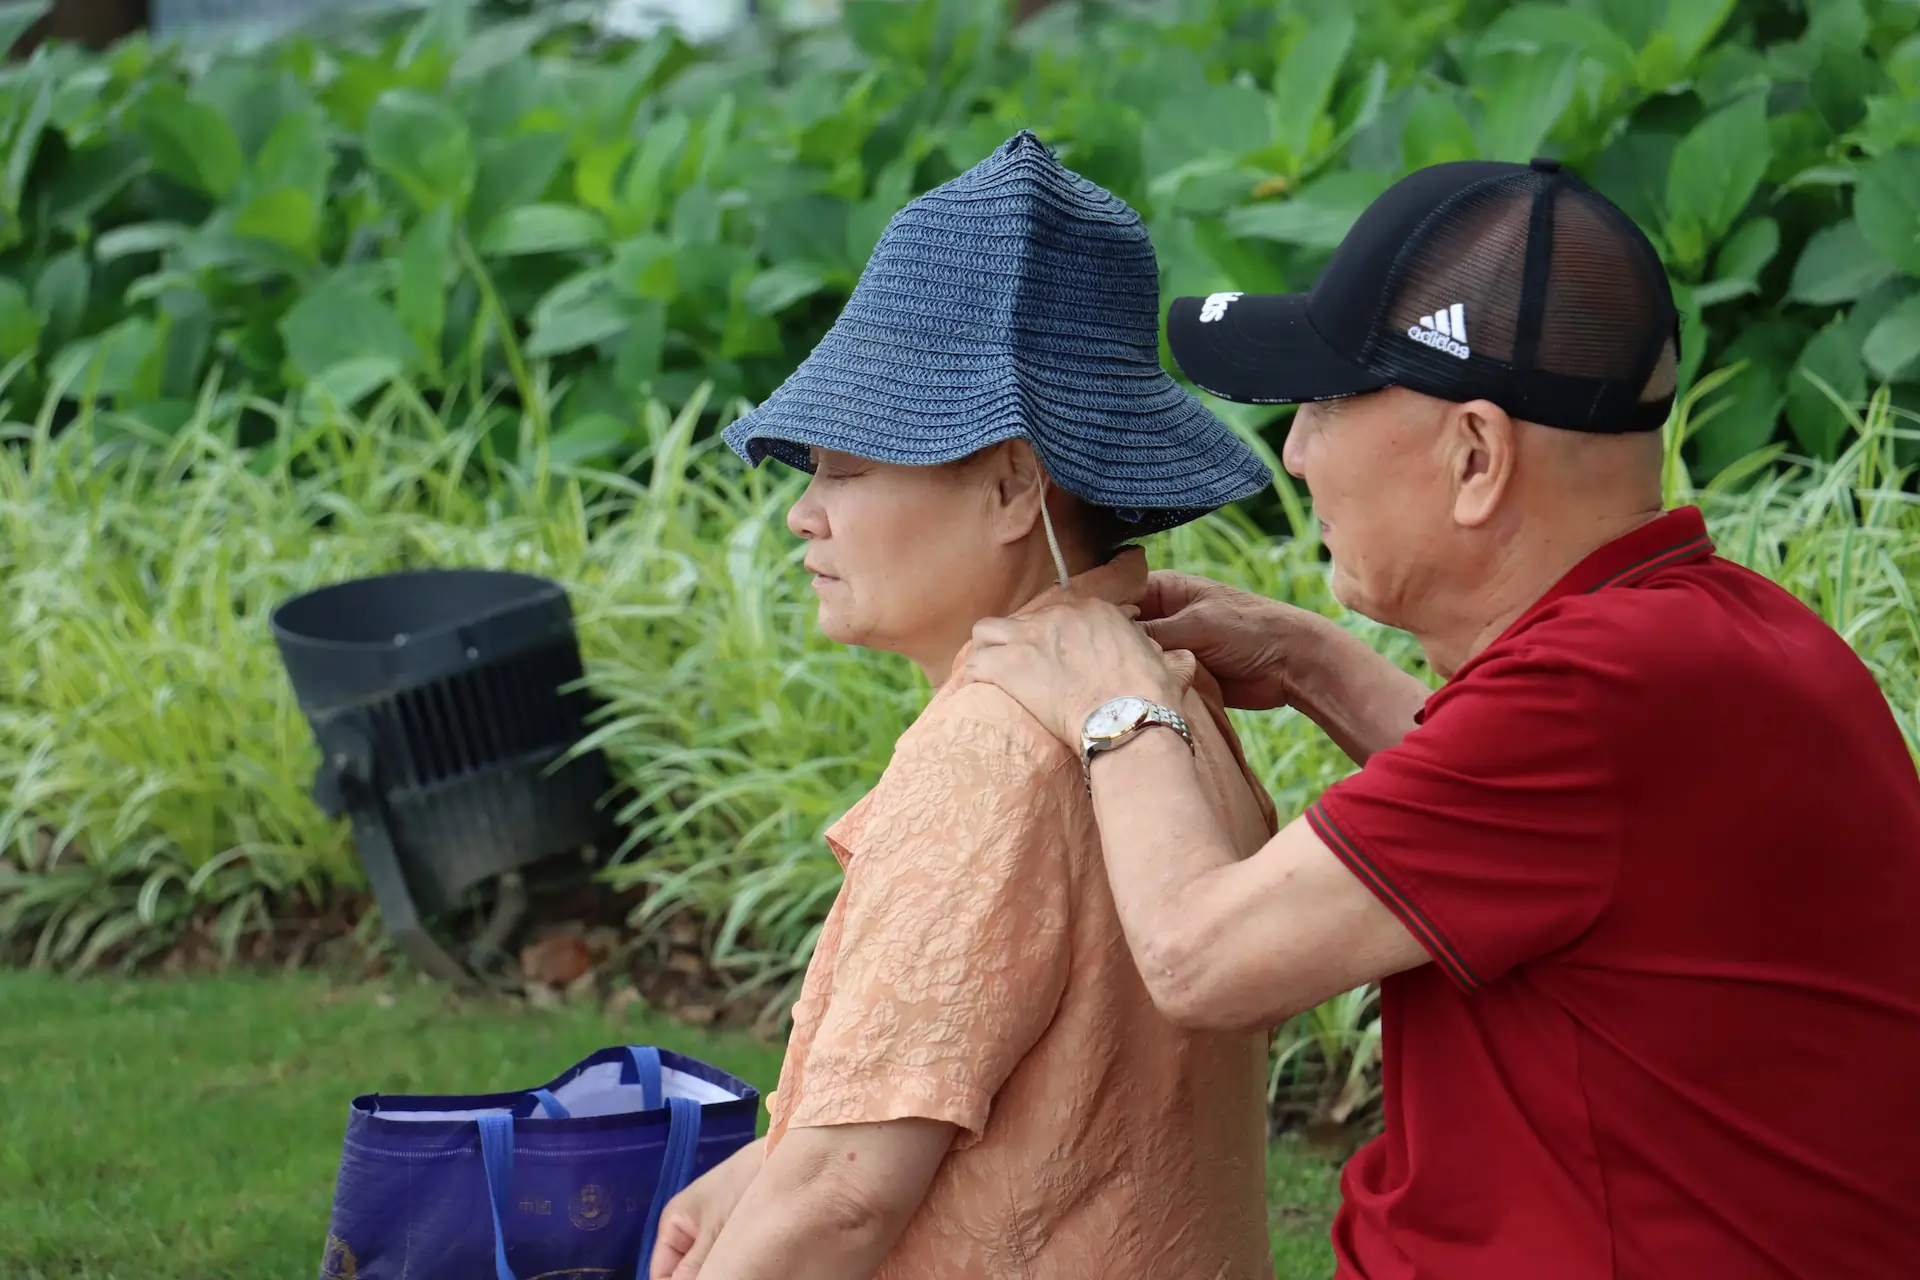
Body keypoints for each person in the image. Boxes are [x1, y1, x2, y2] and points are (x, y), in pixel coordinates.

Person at [961, 156, 1920, 1279]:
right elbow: (1531, 834)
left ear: (1476, 455)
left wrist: (1109, 697)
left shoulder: (1594, 692)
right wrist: (1307, 656)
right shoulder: (1721, 634)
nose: (1299, 453)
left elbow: (1201, 956)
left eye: (1324, 403)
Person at [646, 130, 1281, 1280]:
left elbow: (847, 1196)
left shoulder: (991, 744)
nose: (804, 513)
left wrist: (788, 1189)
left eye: (846, 468)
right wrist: (764, 1165)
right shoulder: (1166, 692)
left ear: (1008, 485)